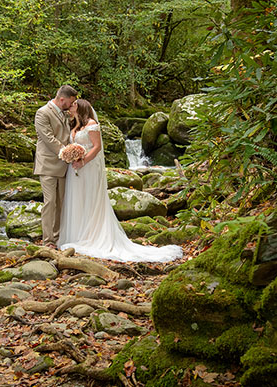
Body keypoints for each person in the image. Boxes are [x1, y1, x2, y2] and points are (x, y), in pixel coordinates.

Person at [58, 99, 183, 263]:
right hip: (75, 170)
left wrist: (83, 161)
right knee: (78, 199)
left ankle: (92, 235)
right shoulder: (76, 125)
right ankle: (78, 234)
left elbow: (96, 147)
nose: (70, 107)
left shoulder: (91, 124)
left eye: (73, 105)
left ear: (81, 108)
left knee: (90, 199)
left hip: (88, 168)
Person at [34, 85, 78, 248]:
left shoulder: (66, 114)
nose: (72, 104)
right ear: (62, 99)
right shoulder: (42, 113)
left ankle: (58, 237)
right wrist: (69, 153)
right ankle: (48, 240)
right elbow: (48, 138)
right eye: (71, 101)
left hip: (63, 166)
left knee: (61, 202)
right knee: (50, 202)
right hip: (47, 165)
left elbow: (68, 134)